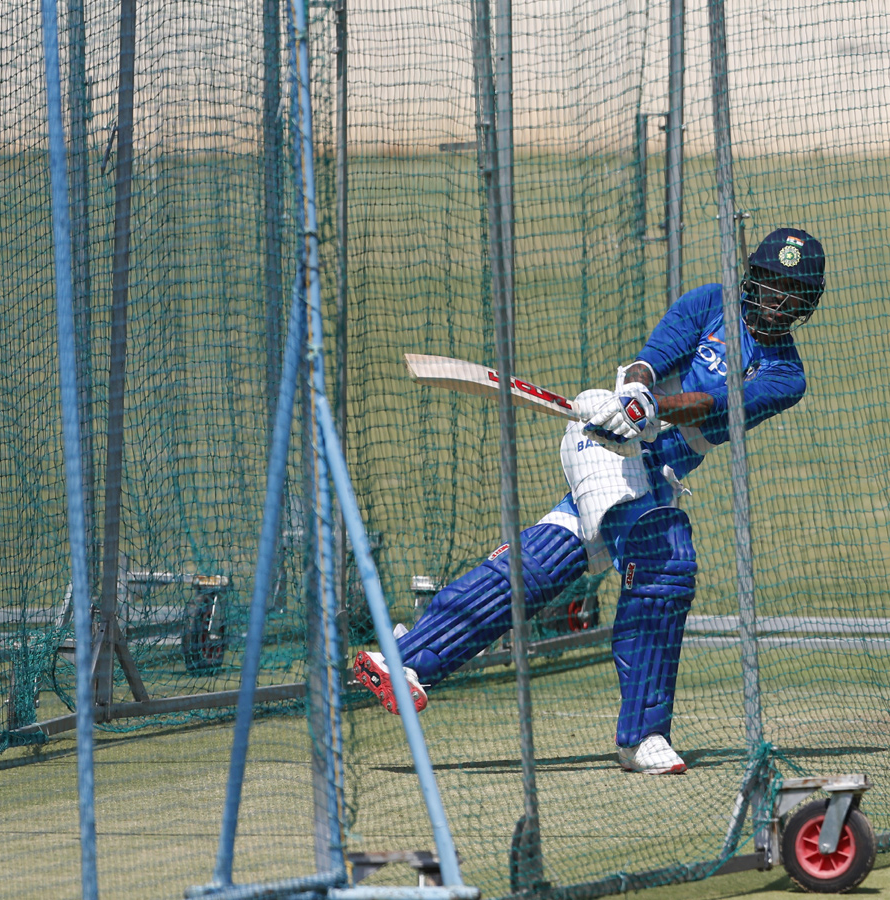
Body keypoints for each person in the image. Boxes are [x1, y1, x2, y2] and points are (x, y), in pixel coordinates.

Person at [353, 228, 825, 775]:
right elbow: (652, 358)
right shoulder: (709, 302)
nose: (775, 299)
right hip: (601, 442)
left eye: (791, 291)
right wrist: (632, 394)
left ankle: (407, 657)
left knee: (546, 563)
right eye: (769, 283)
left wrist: (652, 410)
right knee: (665, 559)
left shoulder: (787, 376)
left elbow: (714, 404)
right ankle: (644, 736)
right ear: (751, 277)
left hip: (654, 469)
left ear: (806, 304)